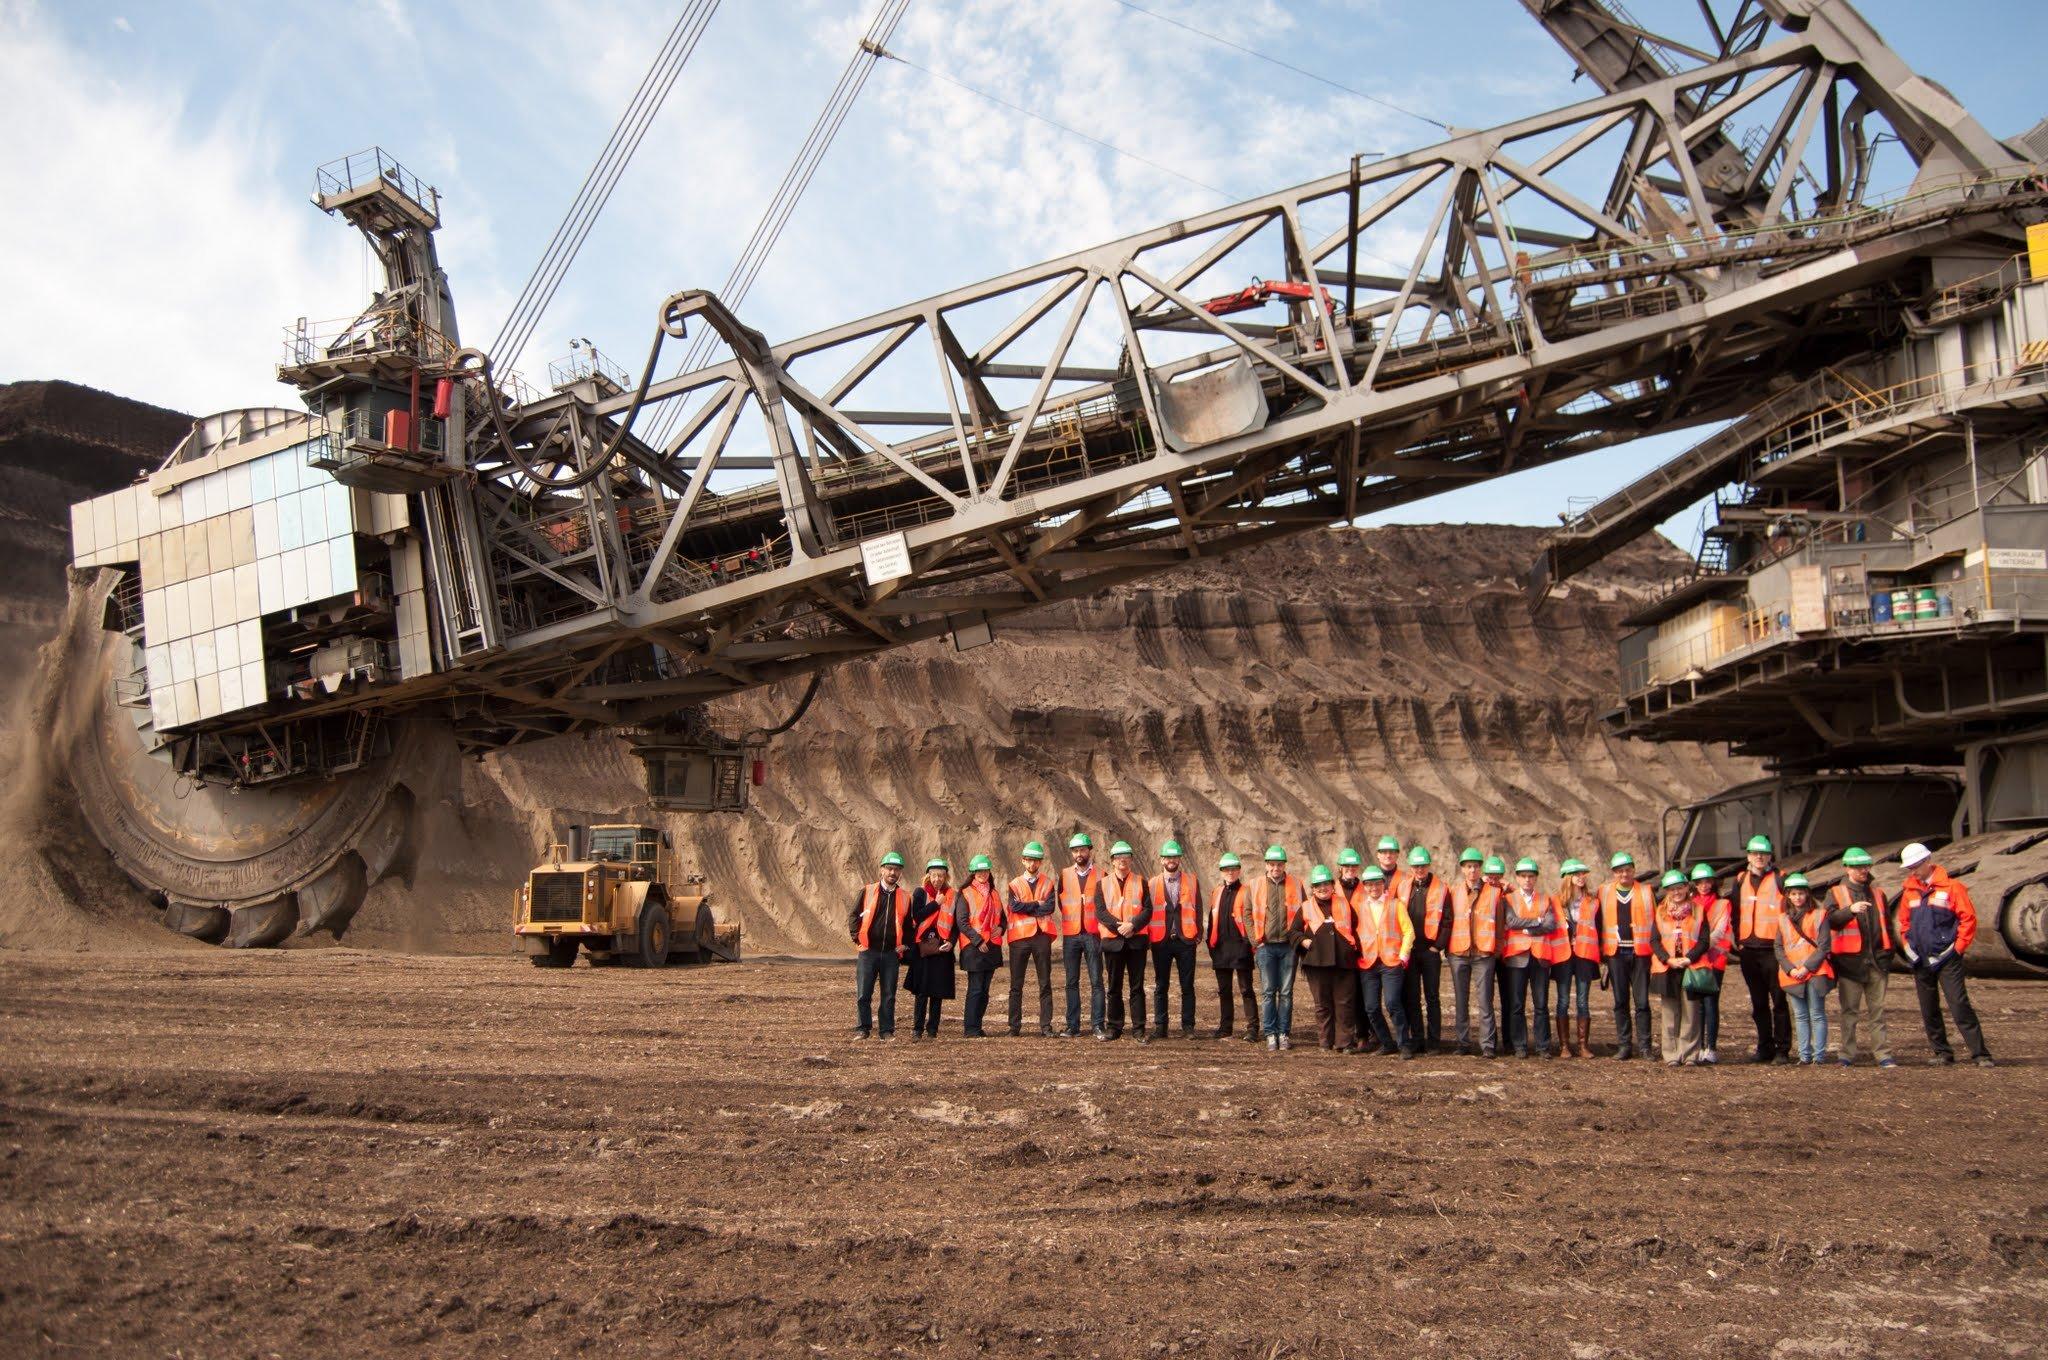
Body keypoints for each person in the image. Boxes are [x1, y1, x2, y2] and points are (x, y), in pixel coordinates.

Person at [1896, 842, 1995, 1068]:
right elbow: (1904, 923)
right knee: (1928, 1008)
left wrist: (1958, 948)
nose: (1912, 871)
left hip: (1947, 958)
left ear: (1927, 861)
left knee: (1959, 1004)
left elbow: (1968, 919)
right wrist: (1910, 949)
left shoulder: (1953, 887)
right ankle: (1942, 1052)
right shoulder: (1909, 891)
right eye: (1909, 868)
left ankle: (1980, 1054)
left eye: (1915, 866)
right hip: (1921, 959)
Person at [1827, 846, 1895, 1068]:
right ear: (1847, 868)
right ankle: (1847, 1054)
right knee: (1849, 1012)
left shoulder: (1878, 894)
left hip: (1877, 962)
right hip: (1850, 964)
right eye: (1858, 867)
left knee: (1878, 1012)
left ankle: (1882, 1054)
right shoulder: (1835, 893)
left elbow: (1888, 927)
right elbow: (1829, 921)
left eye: (1865, 866)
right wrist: (1850, 910)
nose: (1863, 870)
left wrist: (1887, 954)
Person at [1238, 844, 1305, 1051]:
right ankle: (1270, 1033)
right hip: (1265, 946)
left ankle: (1283, 1033)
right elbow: (1247, 913)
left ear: (1284, 865)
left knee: (1286, 992)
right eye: (1272, 864)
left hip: (1288, 947)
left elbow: (1305, 911)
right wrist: (1254, 940)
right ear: (1266, 865)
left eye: (1279, 864)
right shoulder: (1254, 885)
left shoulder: (1296, 884)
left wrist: (1298, 940)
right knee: (1268, 992)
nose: (1276, 868)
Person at [1734, 834, 1793, 1065]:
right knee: (1758, 1003)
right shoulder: (1740, 879)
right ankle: (1764, 1047)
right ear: (1748, 856)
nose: (1759, 857)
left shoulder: (1781, 879)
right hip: (1749, 950)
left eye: (1763, 853)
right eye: (1755, 853)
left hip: (1772, 950)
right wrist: (1738, 940)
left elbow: (1791, 910)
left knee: (1779, 1001)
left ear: (1770, 856)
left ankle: (1782, 1049)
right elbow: (1736, 911)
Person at [1438, 847, 1503, 1057]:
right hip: (1458, 953)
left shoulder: (1494, 893)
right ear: (1462, 869)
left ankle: (1488, 1045)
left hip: (1483, 954)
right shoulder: (1453, 891)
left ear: (1480, 868)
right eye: (1468, 866)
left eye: (1475, 866)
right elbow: (1448, 921)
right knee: (1460, 1001)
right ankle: (1463, 1043)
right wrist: (1448, 950)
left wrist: (1496, 950)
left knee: (1485, 1001)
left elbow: (1500, 926)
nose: (1472, 870)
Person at [1500, 857, 1560, 1059]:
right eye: (1524, 876)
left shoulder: (1545, 899)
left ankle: (1543, 1047)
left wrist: (1527, 929)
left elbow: (1550, 925)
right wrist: (1537, 921)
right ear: (1517, 878)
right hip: (1517, 957)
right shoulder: (1508, 899)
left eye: (1531, 876)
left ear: (1536, 878)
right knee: (1517, 1005)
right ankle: (1520, 1046)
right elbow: (1511, 921)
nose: (1527, 879)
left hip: (1540, 958)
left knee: (1541, 1005)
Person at [1649, 868, 1710, 1067]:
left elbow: (1704, 940)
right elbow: (1654, 940)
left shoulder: (1698, 910)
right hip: (1667, 968)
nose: (1676, 892)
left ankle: (1689, 1054)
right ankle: (1671, 1054)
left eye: (1680, 888)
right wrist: (1667, 959)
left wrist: (1689, 958)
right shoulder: (1660, 911)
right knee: (1669, 1013)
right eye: (1672, 889)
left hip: (1691, 967)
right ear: (1667, 891)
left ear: (1686, 888)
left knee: (1691, 1013)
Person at [1354, 864, 1417, 1058]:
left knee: (1392, 1003)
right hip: (1368, 963)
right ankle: (1387, 1043)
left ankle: (1404, 1044)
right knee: (1371, 1007)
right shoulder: (1358, 907)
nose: (1373, 888)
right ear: (1365, 886)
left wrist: (1403, 955)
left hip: (1391, 962)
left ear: (1383, 884)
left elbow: (1409, 931)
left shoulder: (1396, 904)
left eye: (1377, 884)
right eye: (1369, 884)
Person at [1297, 864, 1360, 1051]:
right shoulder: (1306, 907)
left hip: (1344, 962)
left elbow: (1356, 927)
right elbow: (1292, 932)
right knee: (1322, 1005)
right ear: (1313, 888)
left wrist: (1353, 950)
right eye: (1318, 885)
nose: (1322, 888)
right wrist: (1304, 942)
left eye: (1326, 884)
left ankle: (1345, 1043)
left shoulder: (1344, 904)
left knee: (1344, 1004)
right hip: (1316, 964)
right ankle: (1325, 1042)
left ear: (1333, 885)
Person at [849, 850, 911, 1041]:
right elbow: (853, 916)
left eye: (897, 869)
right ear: (882, 870)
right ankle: (863, 1029)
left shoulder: (905, 896)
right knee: (863, 993)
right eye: (889, 868)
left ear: (900, 873)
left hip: (891, 953)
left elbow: (909, 925)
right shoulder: (867, 891)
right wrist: (857, 939)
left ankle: (886, 1031)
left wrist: (905, 944)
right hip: (868, 952)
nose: (893, 872)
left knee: (889, 994)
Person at [1597, 852, 1654, 1061]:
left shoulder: (1646, 891)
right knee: (1620, 1002)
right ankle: (1624, 1045)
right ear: (1614, 873)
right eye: (1619, 871)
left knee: (1642, 1003)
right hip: (1616, 953)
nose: (1624, 874)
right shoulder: (1604, 892)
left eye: (1627, 870)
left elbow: (1656, 921)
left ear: (1633, 870)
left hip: (1640, 953)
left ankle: (1645, 1047)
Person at [1146, 839, 1202, 1040]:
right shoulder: (1152, 884)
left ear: (1179, 859)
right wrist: (1149, 937)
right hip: (1161, 941)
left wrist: (1198, 933)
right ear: (1162, 860)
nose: (1171, 860)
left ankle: (1188, 1027)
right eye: (1168, 857)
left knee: (1187, 986)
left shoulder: (1192, 881)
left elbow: (1198, 907)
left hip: (1185, 940)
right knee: (1161, 986)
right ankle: (1161, 1027)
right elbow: (1147, 911)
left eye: (1175, 857)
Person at [1097, 841, 1152, 1042]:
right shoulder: (1102, 883)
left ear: (1131, 859)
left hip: (1136, 941)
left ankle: (1139, 1029)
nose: (1122, 860)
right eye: (1118, 857)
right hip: (1113, 942)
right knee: (1114, 987)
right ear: (1112, 861)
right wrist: (1119, 927)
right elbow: (1101, 911)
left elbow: (1148, 909)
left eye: (1126, 856)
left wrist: (1133, 925)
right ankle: (1114, 1028)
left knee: (1137, 987)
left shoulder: (1141, 882)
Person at [1775, 873, 1833, 1066]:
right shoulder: (1783, 919)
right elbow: (1778, 947)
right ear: (1788, 896)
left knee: (1816, 1014)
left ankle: (1819, 1056)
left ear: (1807, 894)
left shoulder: (1819, 915)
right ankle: (1804, 1056)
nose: (1797, 897)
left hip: (1814, 972)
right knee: (1800, 1016)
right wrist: (1791, 969)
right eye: (1793, 894)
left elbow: (1824, 946)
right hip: (1793, 974)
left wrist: (1806, 968)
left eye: (1801, 893)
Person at [1398, 845, 1451, 1053]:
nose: (1419, 869)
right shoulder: (1403, 887)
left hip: (1430, 951)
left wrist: (1437, 947)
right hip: (1410, 950)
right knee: (1412, 997)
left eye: (1422, 866)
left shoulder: (1441, 888)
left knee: (1432, 998)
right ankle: (1418, 1039)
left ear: (1428, 865)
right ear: (1411, 867)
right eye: (1416, 866)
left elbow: (1447, 921)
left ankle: (1434, 1041)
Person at [1057, 833, 1108, 1040]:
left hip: (1093, 934)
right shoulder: (1064, 875)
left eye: (1082, 850)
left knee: (1097, 981)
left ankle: (1098, 1025)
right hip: (1071, 935)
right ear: (1072, 853)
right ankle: (1073, 1026)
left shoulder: (1102, 875)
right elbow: (1061, 902)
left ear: (1089, 851)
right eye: (1076, 850)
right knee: (1071, 982)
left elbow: (1105, 904)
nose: (1079, 854)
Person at [1005, 842, 1057, 1037]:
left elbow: (1049, 907)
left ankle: (1046, 1026)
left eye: (1035, 860)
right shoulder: (1014, 884)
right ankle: (1014, 1027)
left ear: (1040, 862)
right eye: (1029, 860)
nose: (1032, 863)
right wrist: (1036, 904)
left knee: (1045, 983)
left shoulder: (1048, 883)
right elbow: (1014, 907)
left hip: (1041, 937)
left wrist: (1026, 906)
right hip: (1019, 938)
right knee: (1016, 985)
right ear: (1023, 861)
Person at [1206, 852, 1259, 1041]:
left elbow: (1253, 920)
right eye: (1227, 869)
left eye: (1234, 869)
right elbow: (1212, 920)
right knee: (1224, 990)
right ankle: (1225, 1027)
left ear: (1239, 871)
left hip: (1241, 949)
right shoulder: (1216, 892)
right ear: (1221, 871)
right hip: (1220, 949)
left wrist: (1248, 944)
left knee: (1246, 990)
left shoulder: (1247, 891)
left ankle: (1252, 1028)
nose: (1230, 872)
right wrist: (1210, 945)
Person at [955, 855, 1008, 1038]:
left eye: (985, 870)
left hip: (991, 948)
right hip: (974, 949)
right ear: (973, 872)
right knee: (976, 989)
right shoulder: (965, 893)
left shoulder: (994, 893)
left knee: (984, 991)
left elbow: (1003, 918)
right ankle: (970, 1028)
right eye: (979, 871)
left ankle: (977, 1026)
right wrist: (978, 941)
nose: (982, 874)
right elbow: (962, 922)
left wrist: (1001, 928)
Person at [906, 859, 958, 1040]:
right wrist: (936, 903)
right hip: (923, 949)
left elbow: (956, 924)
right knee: (922, 991)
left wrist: (952, 942)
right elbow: (917, 916)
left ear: (946, 877)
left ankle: (932, 1030)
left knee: (937, 991)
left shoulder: (953, 895)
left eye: (941, 876)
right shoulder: (920, 892)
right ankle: (917, 1029)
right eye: (934, 875)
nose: (937, 879)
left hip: (943, 948)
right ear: (928, 875)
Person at [1554, 859, 1601, 1058]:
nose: (1581, 877)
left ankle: (1583, 1045)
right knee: (1563, 1000)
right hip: (1564, 955)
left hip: (1584, 954)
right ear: (1567, 878)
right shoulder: (1557, 902)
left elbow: (1599, 927)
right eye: (1576, 874)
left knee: (1583, 1001)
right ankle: (1564, 1046)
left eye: (1583, 874)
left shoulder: (1593, 901)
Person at [1689, 863, 1733, 1065]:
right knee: (1697, 1005)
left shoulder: (1723, 904)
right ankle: (1699, 1047)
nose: (1704, 886)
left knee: (1711, 1003)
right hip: (1696, 959)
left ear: (1713, 883)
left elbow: (1720, 932)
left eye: (1707, 882)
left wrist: (1698, 948)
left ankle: (1711, 1048)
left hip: (1715, 959)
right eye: (1700, 882)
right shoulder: (1690, 903)